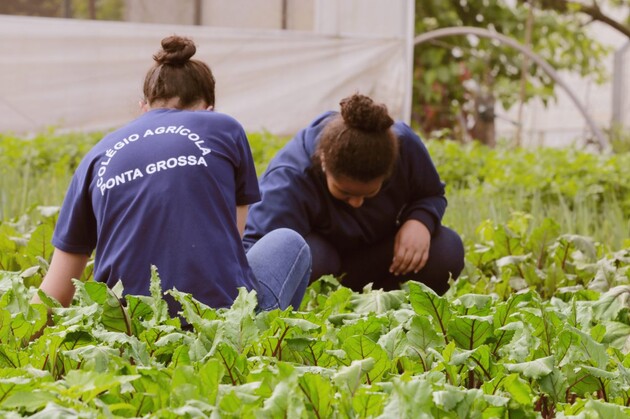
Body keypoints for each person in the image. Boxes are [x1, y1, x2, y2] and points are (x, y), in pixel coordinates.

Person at [34, 35, 310, 317]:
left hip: (124, 330)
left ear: (143, 108)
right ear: (208, 110)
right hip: (217, 327)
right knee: (290, 243)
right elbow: (233, 244)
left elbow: (55, 291)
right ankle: (257, 349)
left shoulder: (96, 156)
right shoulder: (223, 127)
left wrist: (14, 342)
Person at [243, 93, 464, 294]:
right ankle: (326, 306)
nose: (357, 203)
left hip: (374, 258)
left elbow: (431, 194)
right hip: (322, 270)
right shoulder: (288, 179)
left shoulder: (404, 146)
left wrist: (420, 220)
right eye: (345, 192)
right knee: (313, 254)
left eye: (370, 193)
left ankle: (380, 304)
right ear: (323, 162)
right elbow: (260, 255)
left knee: (446, 249)